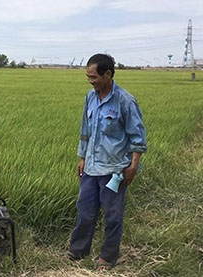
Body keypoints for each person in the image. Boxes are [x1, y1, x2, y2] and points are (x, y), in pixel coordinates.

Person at [66, 54, 147, 270]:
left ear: (108, 74)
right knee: (85, 211)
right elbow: (85, 131)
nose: (90, 80)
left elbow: (137, 138)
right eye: (87, 77)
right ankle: (77, 250)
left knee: (112, 216)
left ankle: (108, 257)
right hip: (91, 167)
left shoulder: (125, 100)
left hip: (114, 171)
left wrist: (133, 167)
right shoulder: (90, 98)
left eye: (93, 77)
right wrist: (82, 157)